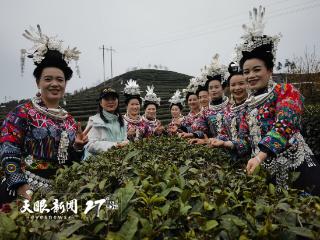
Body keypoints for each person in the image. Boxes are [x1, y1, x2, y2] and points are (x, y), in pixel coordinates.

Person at [0, 25, 89, 204]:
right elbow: (8, 149)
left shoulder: (69, 121)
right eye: (48, 79)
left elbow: (69, 162)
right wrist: (20, 184)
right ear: (38, 82)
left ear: (65, 84)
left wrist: (78, 148)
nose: (54, 84)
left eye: (60, 79)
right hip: (22, 189)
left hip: (58, 191)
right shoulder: (22, 113)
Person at [237, 6, 319, 194]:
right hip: (265, 172)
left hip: (296, 167)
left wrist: (260, 156)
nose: (251, 76)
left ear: (270, 70)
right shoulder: (247, 106)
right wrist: (221, 142)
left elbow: (285, 124)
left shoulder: (286, 91)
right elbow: (244, 142)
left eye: (257, 69)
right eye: (246, 72)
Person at [206, 62, 251, 161]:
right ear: (229, 87)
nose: (237, 88)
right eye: (233, 85)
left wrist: (227, 143)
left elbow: (249, 140)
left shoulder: (253, 107)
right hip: (234, 160)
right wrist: (216, 140)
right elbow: (225, 135)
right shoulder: (228, 111)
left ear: (248, 84)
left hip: (255, 160)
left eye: (241, 83)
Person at [189, 54, 230, 140]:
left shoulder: (231, 107)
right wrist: (190, 134)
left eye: (216, 87)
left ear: (222, 88)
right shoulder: (206, 111)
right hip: (214, 148)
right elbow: (201, 128)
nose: (213, 90)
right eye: (210, 88)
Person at [83, 88, 128, 160]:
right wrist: (115, 146)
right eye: (107, 99)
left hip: (119, 161)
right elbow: (90, 145)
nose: (110, 102)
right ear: (100, 103)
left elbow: (124, 140)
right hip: (99, 164)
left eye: (113, 98)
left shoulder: (122, 121)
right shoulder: (94, 121)